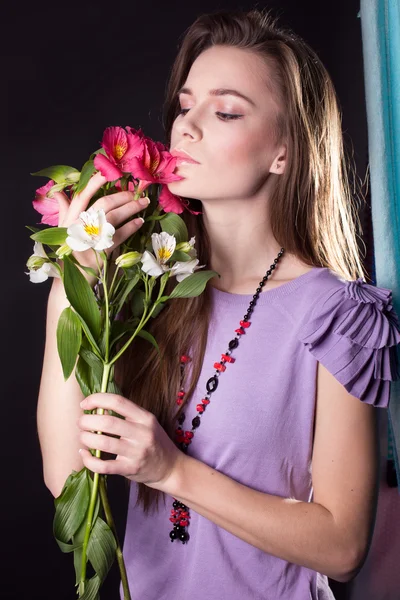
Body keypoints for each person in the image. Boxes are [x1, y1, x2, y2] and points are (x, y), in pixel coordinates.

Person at [37, 8, 400, 600]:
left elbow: (343, 546)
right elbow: (67, 478)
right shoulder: (154, 290)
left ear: (284, 151)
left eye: (226, 111)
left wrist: (172, 471)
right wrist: (71, 284)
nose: (187, 127)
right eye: (186, 106)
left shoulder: (339, 315)